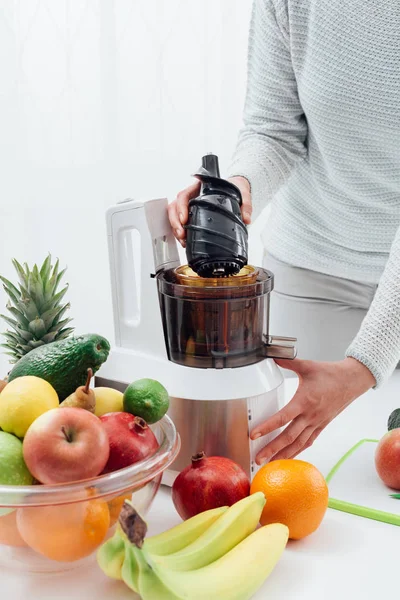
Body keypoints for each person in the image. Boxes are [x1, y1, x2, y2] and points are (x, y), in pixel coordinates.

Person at [168, 0, 400, 465]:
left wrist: (364, 365)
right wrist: (233, 190)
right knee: (276, 460)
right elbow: (274, 127)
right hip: (311, 269)